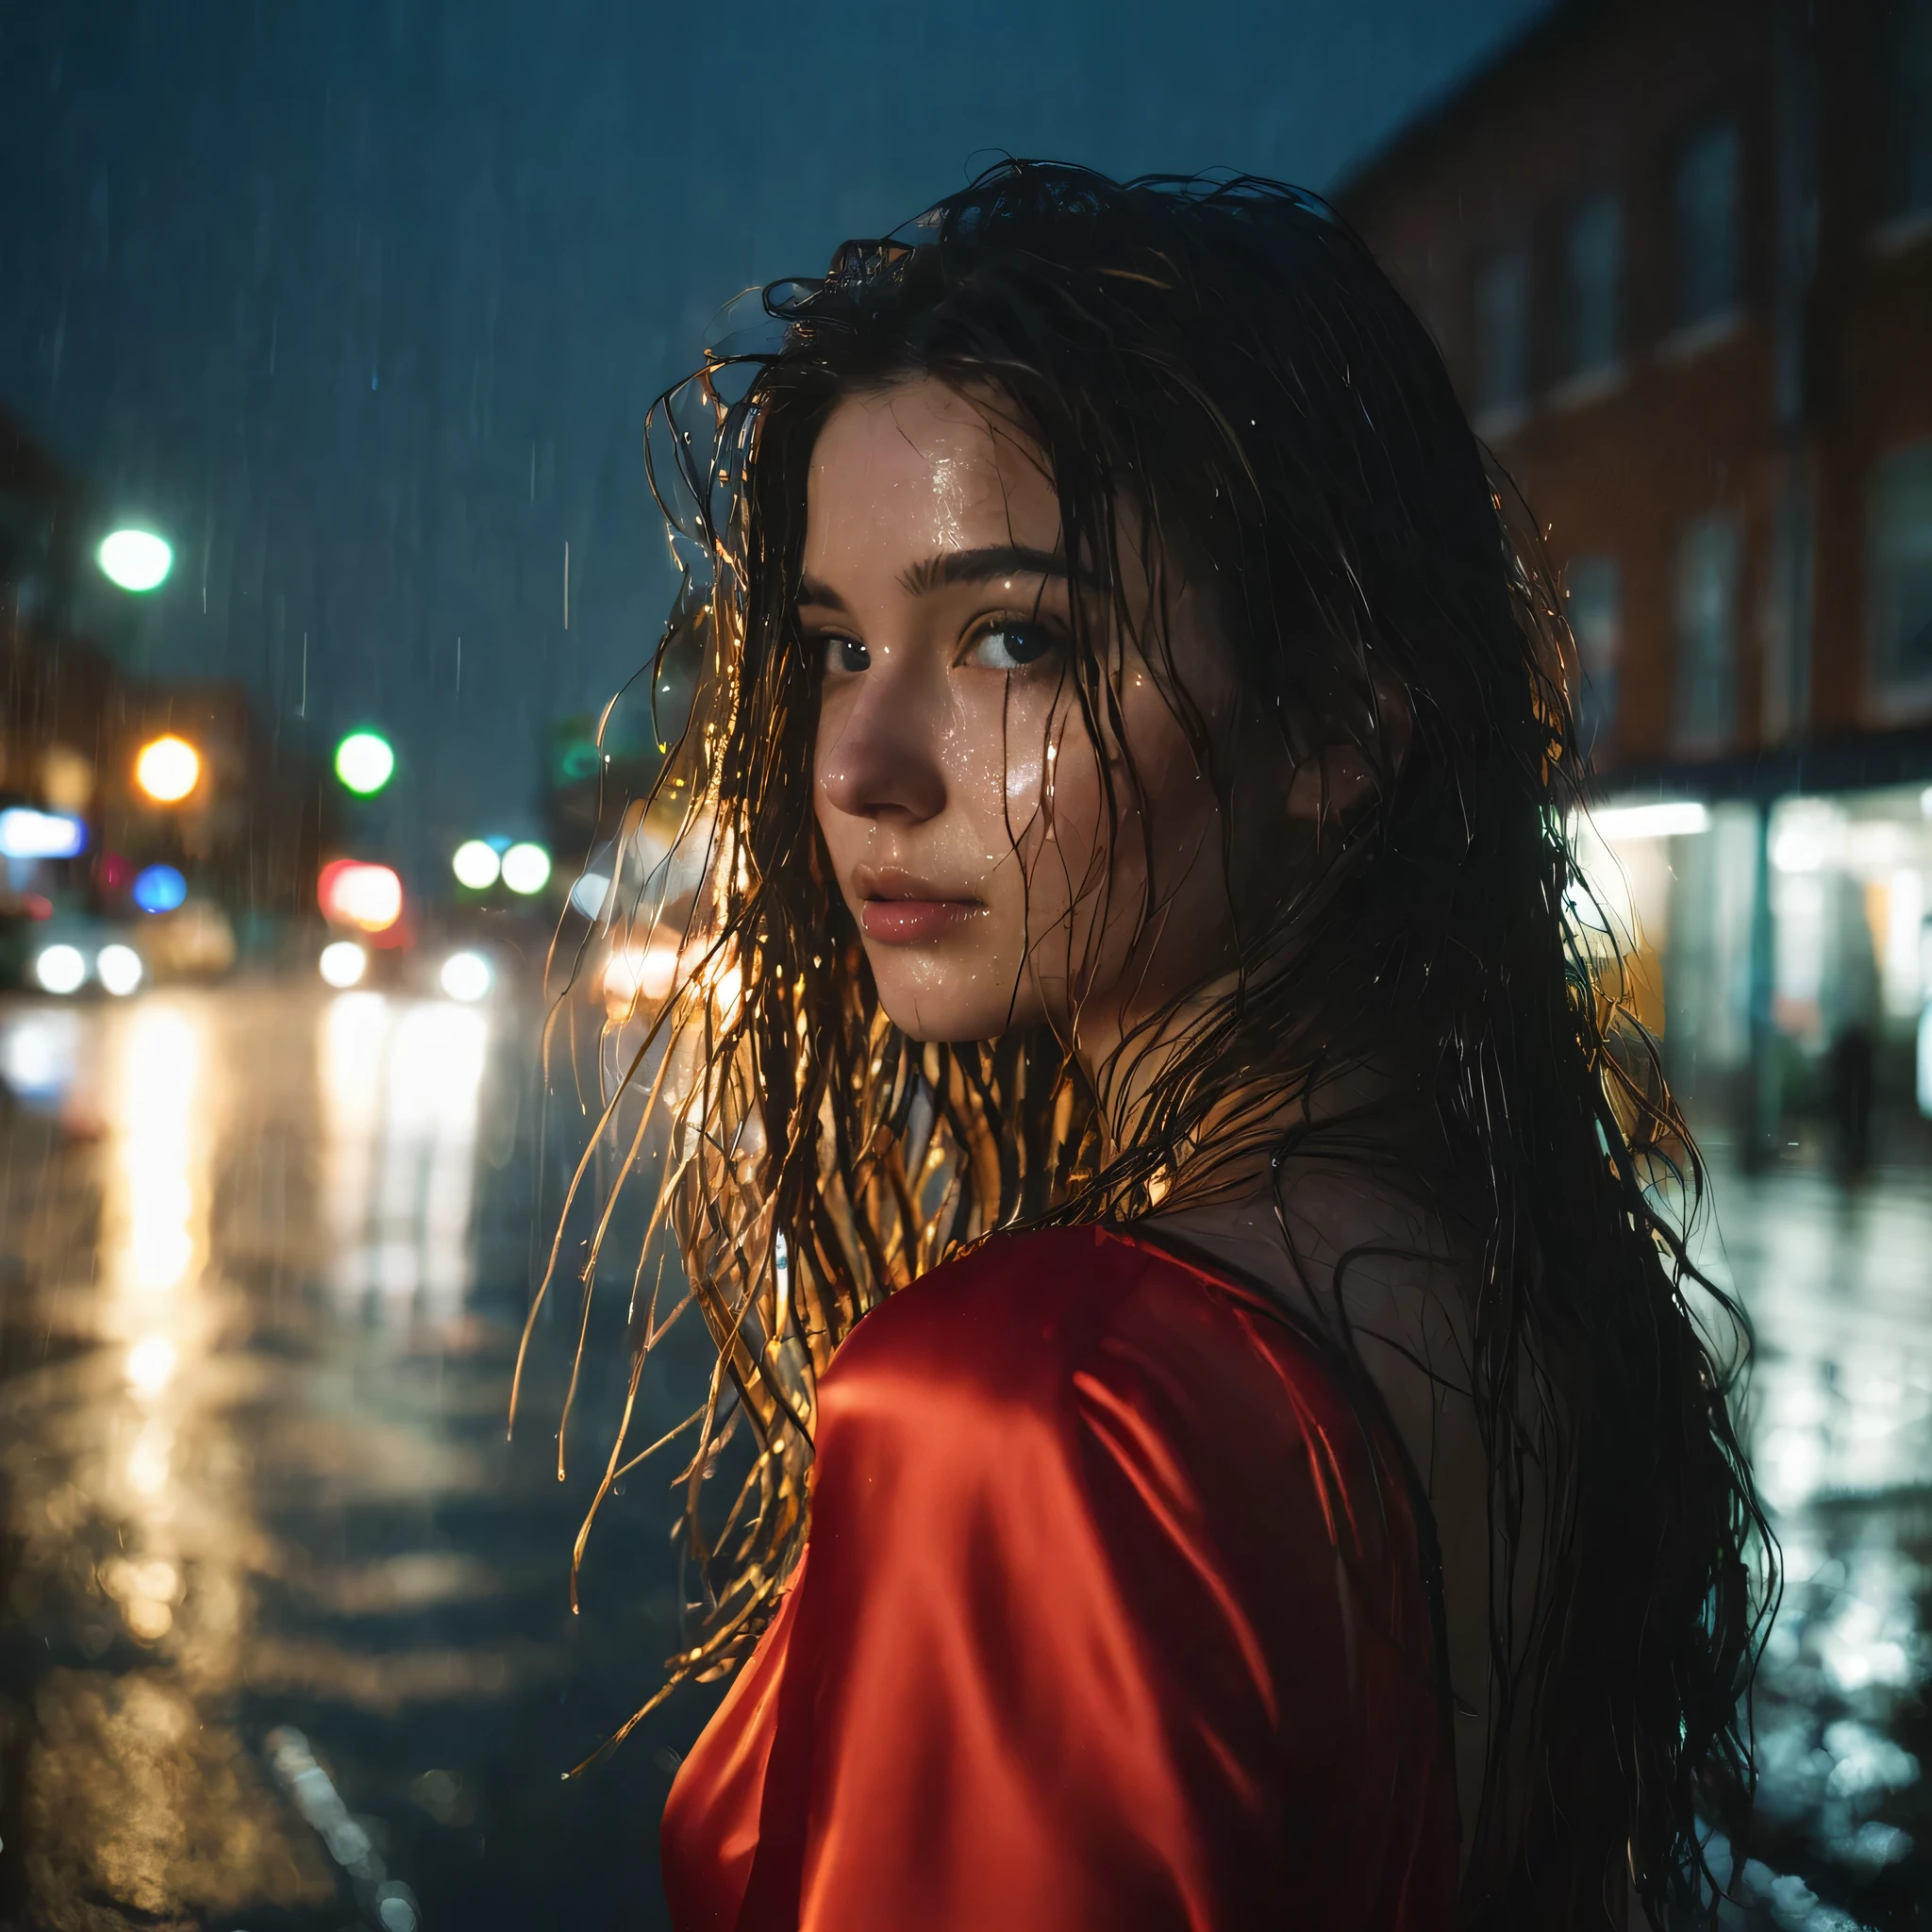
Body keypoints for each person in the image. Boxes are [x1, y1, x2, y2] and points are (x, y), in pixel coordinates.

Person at [548, 163, 1771, 1929]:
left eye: (1011, 638)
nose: (856, 764)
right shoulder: (1532, 1300)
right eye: (832, 646)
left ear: (1339, 720)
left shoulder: (1050, 1402)